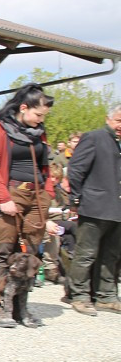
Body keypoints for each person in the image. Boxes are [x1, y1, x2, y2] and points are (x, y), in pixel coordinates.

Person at [0, 83, 54, 327]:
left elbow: (45, 166)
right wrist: (4, 199)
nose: (40, 120)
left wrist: (48, 193)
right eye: (38, 114)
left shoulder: (39, 132)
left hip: (36, 197)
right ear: (24, 108)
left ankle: (20, 309)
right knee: (0, 251)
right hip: (7, 194)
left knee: (30, 255)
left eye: (44, 116)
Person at [64, 104, 121, 315]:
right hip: (94, 206)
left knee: (111, 255)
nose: (120, 126)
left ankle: (105, 295)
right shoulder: (94, 138)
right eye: (118, 120)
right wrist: (76, 198)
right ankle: (78, 295)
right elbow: (76, 169)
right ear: (108, 119)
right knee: (85, 254)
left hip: (117, 209)